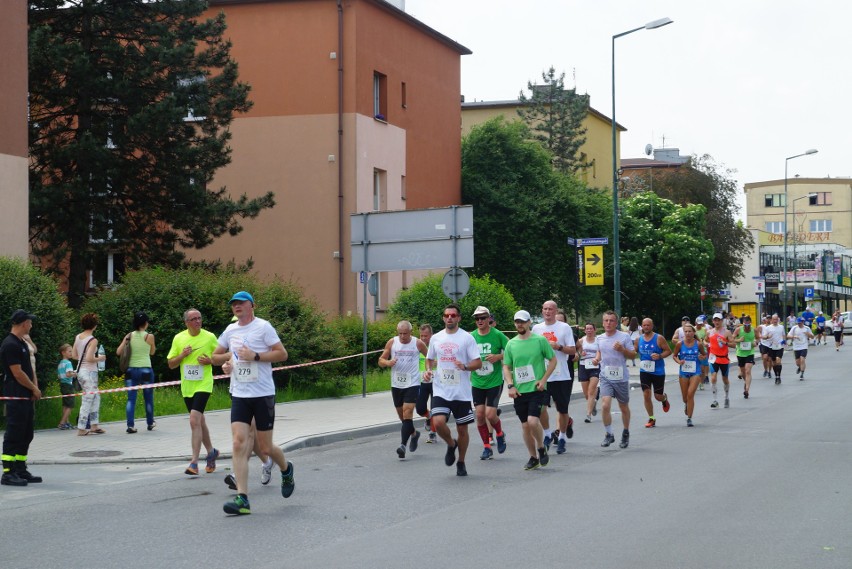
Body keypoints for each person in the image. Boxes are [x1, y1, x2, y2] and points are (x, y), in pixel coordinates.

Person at [211, 291, 294, 515]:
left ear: (252, 305)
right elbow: (215, 356)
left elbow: (282, 354)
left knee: (266, 447)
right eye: (233, 304)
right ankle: (243, 499)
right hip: (240, 393)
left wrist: (255, 356)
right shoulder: (230, 330)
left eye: (241, 303)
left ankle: (286, 469)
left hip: (263, 393)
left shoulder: (263, 327)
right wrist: (226, 362)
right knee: (239, 442)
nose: (236, 307)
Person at [423, 303, 482, 477]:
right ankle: (451, 444)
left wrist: (464, 366)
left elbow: (477, 363)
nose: (450, 318)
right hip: (441, 389)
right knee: (438, 422)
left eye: (453, 315)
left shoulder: (467, 338)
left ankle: (461, 461)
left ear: (458, 318)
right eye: (447, 315)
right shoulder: (436, 338)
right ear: (443, 318)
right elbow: (429, 359)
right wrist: (428, 371)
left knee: (462, 429)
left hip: (461, 391)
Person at [167, 308, 221, 476]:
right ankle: (211, 452)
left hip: (204, 384)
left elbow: (223, 356)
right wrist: (182, 355)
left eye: (199, 318)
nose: (198, 321)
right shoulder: (179, 338)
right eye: (194, 319)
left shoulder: (210, 337)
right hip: (187, 387)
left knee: (194, 420)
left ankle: (194, 463)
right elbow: (171, 364)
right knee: (199, 421)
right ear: (186, 323)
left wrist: (209, 361)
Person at [503, 310, 556, 470]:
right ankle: (533, 457)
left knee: (533, 421)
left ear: (529, 323)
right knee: (525, 426)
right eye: (517, 322)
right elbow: (506, 366)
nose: (520, 324)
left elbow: (552, 360)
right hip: (519, 391)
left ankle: (541, 447)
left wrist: (543, 379)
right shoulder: (511, 343)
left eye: (523, 321)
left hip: (537, 389)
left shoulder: (539, 340)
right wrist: (510, 385)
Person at [1, 310, 43, 486]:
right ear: (23, 323)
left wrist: (35, 388)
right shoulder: (10, 344)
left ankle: (20, 468)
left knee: (26, 433)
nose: (31, 325)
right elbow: (17, 373)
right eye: (30, 322)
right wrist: (33, 388)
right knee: (14, 433)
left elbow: (29, 369)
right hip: (15, 394)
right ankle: (8, 472)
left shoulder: (23, 343)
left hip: (26, 395)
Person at [378, 320, 429, 459]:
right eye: (400, 333)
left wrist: (428, 370)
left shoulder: (417, 343)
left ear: (410, 332)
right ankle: (414, 434)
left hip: (412, 383)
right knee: (402, 416)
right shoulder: (392, 342)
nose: (402, 336)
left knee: (408, 412)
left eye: (405, 334)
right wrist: (388, 362)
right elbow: (381, 360)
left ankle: (402, 446)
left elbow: (429, 357)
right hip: (396, 384)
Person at [532, 300, 577, 455]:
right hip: (543, 375)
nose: (547, 311)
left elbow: (572, 350)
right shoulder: (536, 328)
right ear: (542, 311)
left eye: (550, 309)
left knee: (562, 409)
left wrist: (558, 347)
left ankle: (562, 437)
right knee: (541, 407)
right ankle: (547, 434)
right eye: (545, 309)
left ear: (555, 311)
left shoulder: (564, 328)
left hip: (561, 375)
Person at [470, 306, 509, 460]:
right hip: (477, 381)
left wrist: (498, 357)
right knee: (479, 415)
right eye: (477, 319)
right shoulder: (471, 336)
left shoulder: (497, 335)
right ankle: (486, 447)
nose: (480, 321)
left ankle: (499, 434)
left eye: (482, 318)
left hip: (494, 381)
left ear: (488, 319)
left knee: (490, 414)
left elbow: (511, 350)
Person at [593, 311, 636, 449]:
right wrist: (596, 359)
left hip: (621, 377)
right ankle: (609, 434)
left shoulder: (623, 337)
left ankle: (626, 432)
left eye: (611, 321)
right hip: (606, 376)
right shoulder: (599, 338)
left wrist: (622, 349)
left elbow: (633, 355)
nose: (608, 323)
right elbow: (600, 351)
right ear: (603, 322)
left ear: (616, 323)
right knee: (605, 405)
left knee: (623, 407)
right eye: (606, 320)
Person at [117, 312, 157, 433]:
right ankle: (150, 423)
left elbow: (118, 352)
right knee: (148, 398)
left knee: (131, 399)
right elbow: (152, 352)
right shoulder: (149, 336)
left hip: (131, 370)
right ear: (145, 323)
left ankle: (130, 425)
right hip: (146, 369)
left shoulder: (129, 336)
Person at [72, 313, 107, 436]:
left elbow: (74, 355)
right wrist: (100, 358)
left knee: (95, 397)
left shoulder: (78, 337)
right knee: (88, 399)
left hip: (81, 371)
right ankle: (81, 428)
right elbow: (90, 358)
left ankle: (94, 425)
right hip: (90, 372)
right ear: (94, 326)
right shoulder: (93, 340)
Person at [636, 318, 672, 428]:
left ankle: (664, 399)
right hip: (644, 371)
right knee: (646, 395)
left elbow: (668, 351)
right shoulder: (638, 339)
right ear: (641, 326)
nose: (646, 327)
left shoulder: (659, 338)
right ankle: (651, 418)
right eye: (644, 325)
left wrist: (660, 356)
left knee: (657, 396)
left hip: (658, 371)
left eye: (648, 325)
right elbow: (635, 351)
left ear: (652, 326)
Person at [672, 323, 704, 427]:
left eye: (690, 331)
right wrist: (679, 361)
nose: (688, 333)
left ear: (693, 333)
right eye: (685, 331)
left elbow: (704, 354)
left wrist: (701, 357)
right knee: (685, 397)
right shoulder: (680, 344)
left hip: (696, 371)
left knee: (690, 394)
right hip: (684, 372)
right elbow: (674, 356)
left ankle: (689, 418)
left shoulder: (698, 344)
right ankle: (686, 404)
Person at [707, 313, 734, 409]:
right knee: (713, 377)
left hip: (723, 358)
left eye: (718, 320)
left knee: (725, 379)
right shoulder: (709, 332)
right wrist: (706, 344)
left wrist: (725, 342)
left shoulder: (727, 332)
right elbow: (706, 341)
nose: (717, 322)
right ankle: (715, 400)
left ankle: (726, 397)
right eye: (715, 320)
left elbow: (734, 345)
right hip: (713, 358)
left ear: (722, 321)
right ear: (713, 321)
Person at [415, 323, 436, 443]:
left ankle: (432, 433)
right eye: (421, 336)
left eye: (426, 336)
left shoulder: (436, 346)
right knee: (420, 409)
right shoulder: (417, 347)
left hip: (435, 382)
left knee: (435, 409)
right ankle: (428, 418)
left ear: (431, 335)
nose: (423, 338)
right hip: (421, 382)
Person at [577, 323, 600, 423]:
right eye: (587, 329)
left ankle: (588, 415)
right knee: (587, 394)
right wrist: (580, 353)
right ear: (585, 330)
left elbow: (600, 352)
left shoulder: (598, 341)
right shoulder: (581, 341)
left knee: (591, 391)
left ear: (594, 330)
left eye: (591, 329)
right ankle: (593, 403)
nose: (589, 330)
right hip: (583, 366)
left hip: (595, 366)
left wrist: (597, 359)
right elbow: (576, 351)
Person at [732, 316, 759, 399]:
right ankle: (746, 382)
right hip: (740, 353)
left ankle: (746, 390)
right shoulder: (738, 330)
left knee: (748, 371)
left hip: (750, 352)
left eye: (747, 325)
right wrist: (739, 340)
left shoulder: (754, 330)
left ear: (750, 323)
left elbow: (758, 338)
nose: (746, 327)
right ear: (743, 324)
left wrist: (756, 343)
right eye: (744, 325)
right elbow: (732, 339)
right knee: (743, 373)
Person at [762, 314, 787, 384]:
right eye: (774, 319)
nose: (775, 321)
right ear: (771, 320)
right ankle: (776, 376)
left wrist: (784, 342)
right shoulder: (768, 328)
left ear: (778, 319)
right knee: (774, 363)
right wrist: (767, 337)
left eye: (776, 319)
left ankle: (779, 376)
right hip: (771, 347)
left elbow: (784, 335)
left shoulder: (781, 327)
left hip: (779, 346)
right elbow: (763, 337)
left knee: (778, 360)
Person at [56, 343, 76, 429]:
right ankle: (62, 423)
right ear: (63, 352)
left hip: (62, 385)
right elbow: (68, 374)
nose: (71, 353)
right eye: (69, 351)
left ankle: (67, 422)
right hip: (68, 385)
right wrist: (75, 374)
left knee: (65, 404)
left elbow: (59, 376)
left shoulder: (60, 363)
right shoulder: (68, 363)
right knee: (71, 405)